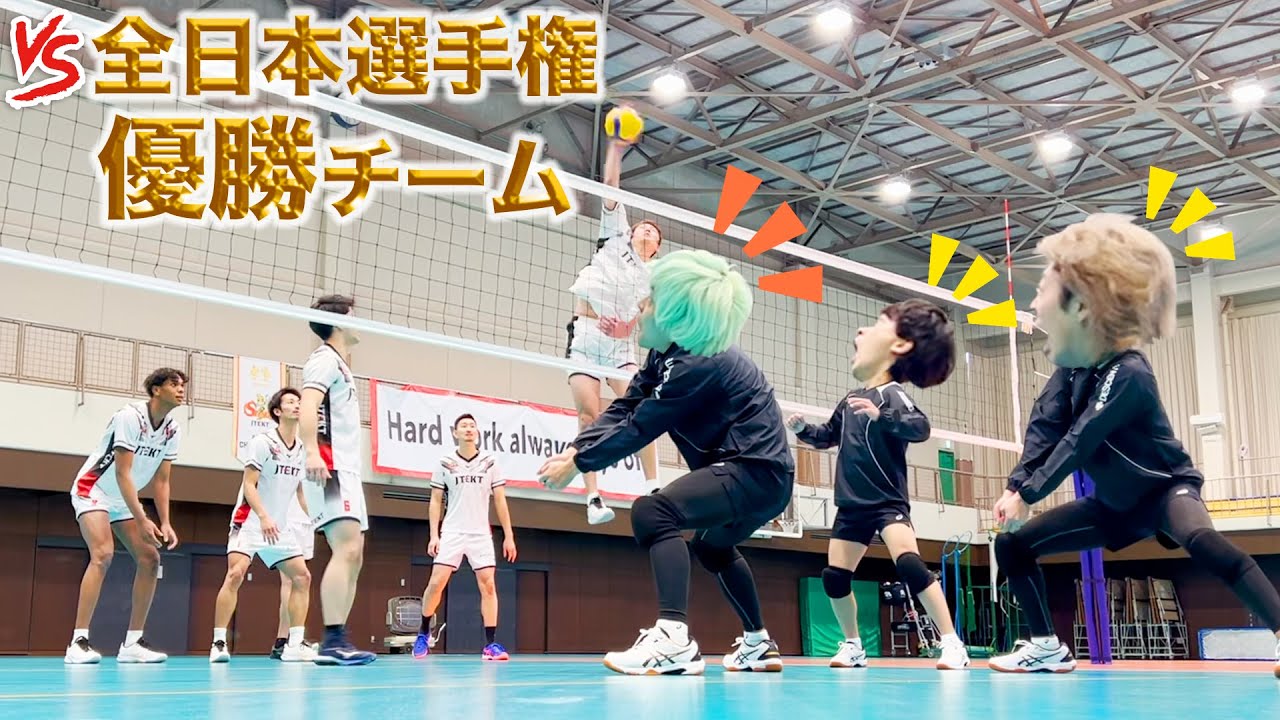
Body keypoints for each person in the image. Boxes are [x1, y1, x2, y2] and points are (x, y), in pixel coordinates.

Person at [988, 214, 1280, 677]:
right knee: (1013, 546)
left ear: (1082, 307)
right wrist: (1015, 485)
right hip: (1114, 506)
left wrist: (1029, 493)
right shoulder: (1072, 372)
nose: (1035, 306)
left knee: (1202, 541)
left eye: (1042, 291)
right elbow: (1045, 428)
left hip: (1166, 491)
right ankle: (1045, 647)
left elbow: (1081, 438)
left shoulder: (1129, 372)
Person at [540, 249, 794, 676]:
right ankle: (758, 643)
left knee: (654, 512)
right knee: (712, 548)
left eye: (650, 300)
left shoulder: (698, 362)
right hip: (763, 479)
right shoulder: (666, 356)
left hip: (753, 472)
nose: (640, 307)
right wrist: (577, 448)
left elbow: (643, 425)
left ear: (677, 314)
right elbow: (627, 406)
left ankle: (674, 639)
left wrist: (581, 463)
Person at [788, 299, 970, 671]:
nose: (859, 333)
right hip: (851, 504)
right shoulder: (849, 400)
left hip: (887, 501)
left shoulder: (892, 394)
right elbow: (828, 436)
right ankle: (853, 645)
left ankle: (952, 643)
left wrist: (881, 415)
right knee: (835, 578)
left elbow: (920, 428)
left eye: (874, 324)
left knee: (911, 566)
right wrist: (803, 429)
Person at [565, 132, 663, 524]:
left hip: (621, 348)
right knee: (588, 415)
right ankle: (593, 497)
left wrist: (628, 329)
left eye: (654, 231)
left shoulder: (655, 274)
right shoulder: (614, 235)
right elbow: (610, 184)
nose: (647, 230)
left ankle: (653, 485)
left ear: (657, 246)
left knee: (643, 409)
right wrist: (616, 149)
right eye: (643, 226)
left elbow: (648, 313)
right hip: (586, 337)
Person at [65, 368, 186, 665]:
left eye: (183, 385)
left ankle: (132, 643)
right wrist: (142, 518)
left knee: (150, 558)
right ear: (156, 389)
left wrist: (165, 521)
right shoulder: (129, 417)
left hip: (122, 497)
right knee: (103, 554)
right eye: (174, 384)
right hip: (93, 489)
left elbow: (162, 481)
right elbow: (122, 473)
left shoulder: (173, 430)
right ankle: (77, 642)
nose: (181, 389)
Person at [211, 388, 316, 663]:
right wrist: (263, 516)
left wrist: (317, 518)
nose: (297, 405)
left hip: (279, 527)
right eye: (291, 402)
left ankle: (294, 644)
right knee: (235, 574)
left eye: (299, 402)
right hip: (250, 521)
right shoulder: (263, 443)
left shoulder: (302, 449)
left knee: (302, 577)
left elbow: (300, 491)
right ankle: (219, 643)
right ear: (278, 411)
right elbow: (249, 484)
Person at [299, 294, 376, 665]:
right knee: (345, 549)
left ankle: (339, 638)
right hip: (330, 466)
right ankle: (332, 641)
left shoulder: (341, 364)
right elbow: (308, 406)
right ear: (340, 322)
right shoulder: (324, 360)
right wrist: (312, 451)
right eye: (354, 316)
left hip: (347, 470)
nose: (361, 322)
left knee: (354, 555)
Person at [412, 415, 518, 661]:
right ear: (455, 432)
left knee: (489, 585)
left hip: (480, 533)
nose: (469, 429)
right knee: (436, 583)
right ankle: (423, 633)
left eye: (472, 426)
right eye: (464, 426)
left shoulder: (490, 462)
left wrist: (509, 536)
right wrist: (434, 535)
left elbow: (500, 500)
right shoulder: (445, 462)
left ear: (477, 432)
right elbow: (435, 501)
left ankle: (490, 645)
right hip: (452, 531)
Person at [270, 489, 316, 660]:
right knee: (290, 581)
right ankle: (285, 641)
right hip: (288, 520)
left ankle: (286, 641)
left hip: (307, 521)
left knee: (298, 581)